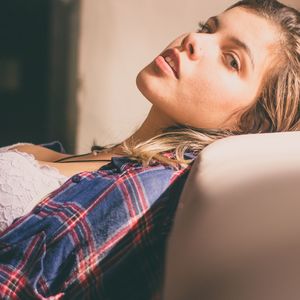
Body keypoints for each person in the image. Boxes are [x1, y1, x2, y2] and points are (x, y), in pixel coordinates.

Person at [0, 0, 299, 299]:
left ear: (253, 123)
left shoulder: (148, 190)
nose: (194, 41)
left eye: (232, 60)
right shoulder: (110, 167)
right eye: (206, 28)